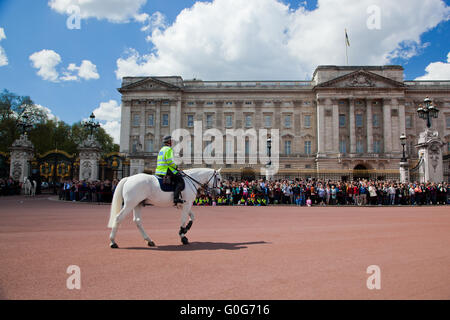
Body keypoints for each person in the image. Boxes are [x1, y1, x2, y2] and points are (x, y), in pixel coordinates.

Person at [155, 135, 185, 205]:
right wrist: (176, 167)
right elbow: (169, 161)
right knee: (180, 181)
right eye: (171, 141)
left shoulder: (161, 149)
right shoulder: (169, 149)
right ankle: (176, 198)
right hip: (165, 169)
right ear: (169, 141)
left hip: (159, 170)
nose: (172, 142)